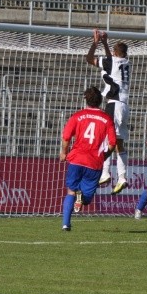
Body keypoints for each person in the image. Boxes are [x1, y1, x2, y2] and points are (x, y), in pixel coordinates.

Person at [59, 86, 117, 232]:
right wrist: (104, 156)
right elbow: (112, 143)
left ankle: (66, 224)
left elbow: (66, 137)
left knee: (70, 191)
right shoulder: (106, 119)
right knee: (87, 199)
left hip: (76, 159)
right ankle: (81, 199)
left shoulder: (77, 116)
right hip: (94, 163)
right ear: (100, 101)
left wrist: (64, 152)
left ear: (86, 99)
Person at [86, 28, 131, 195]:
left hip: (114, 105)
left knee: (107, 138)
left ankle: (104, 173)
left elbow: (89, 59)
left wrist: (96, 42)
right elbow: (111, 59)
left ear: (114, 52)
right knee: (119, 144)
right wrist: (105, 43)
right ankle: (122, 177)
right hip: (124, 105)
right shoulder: (126, 62)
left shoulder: (111, 62)